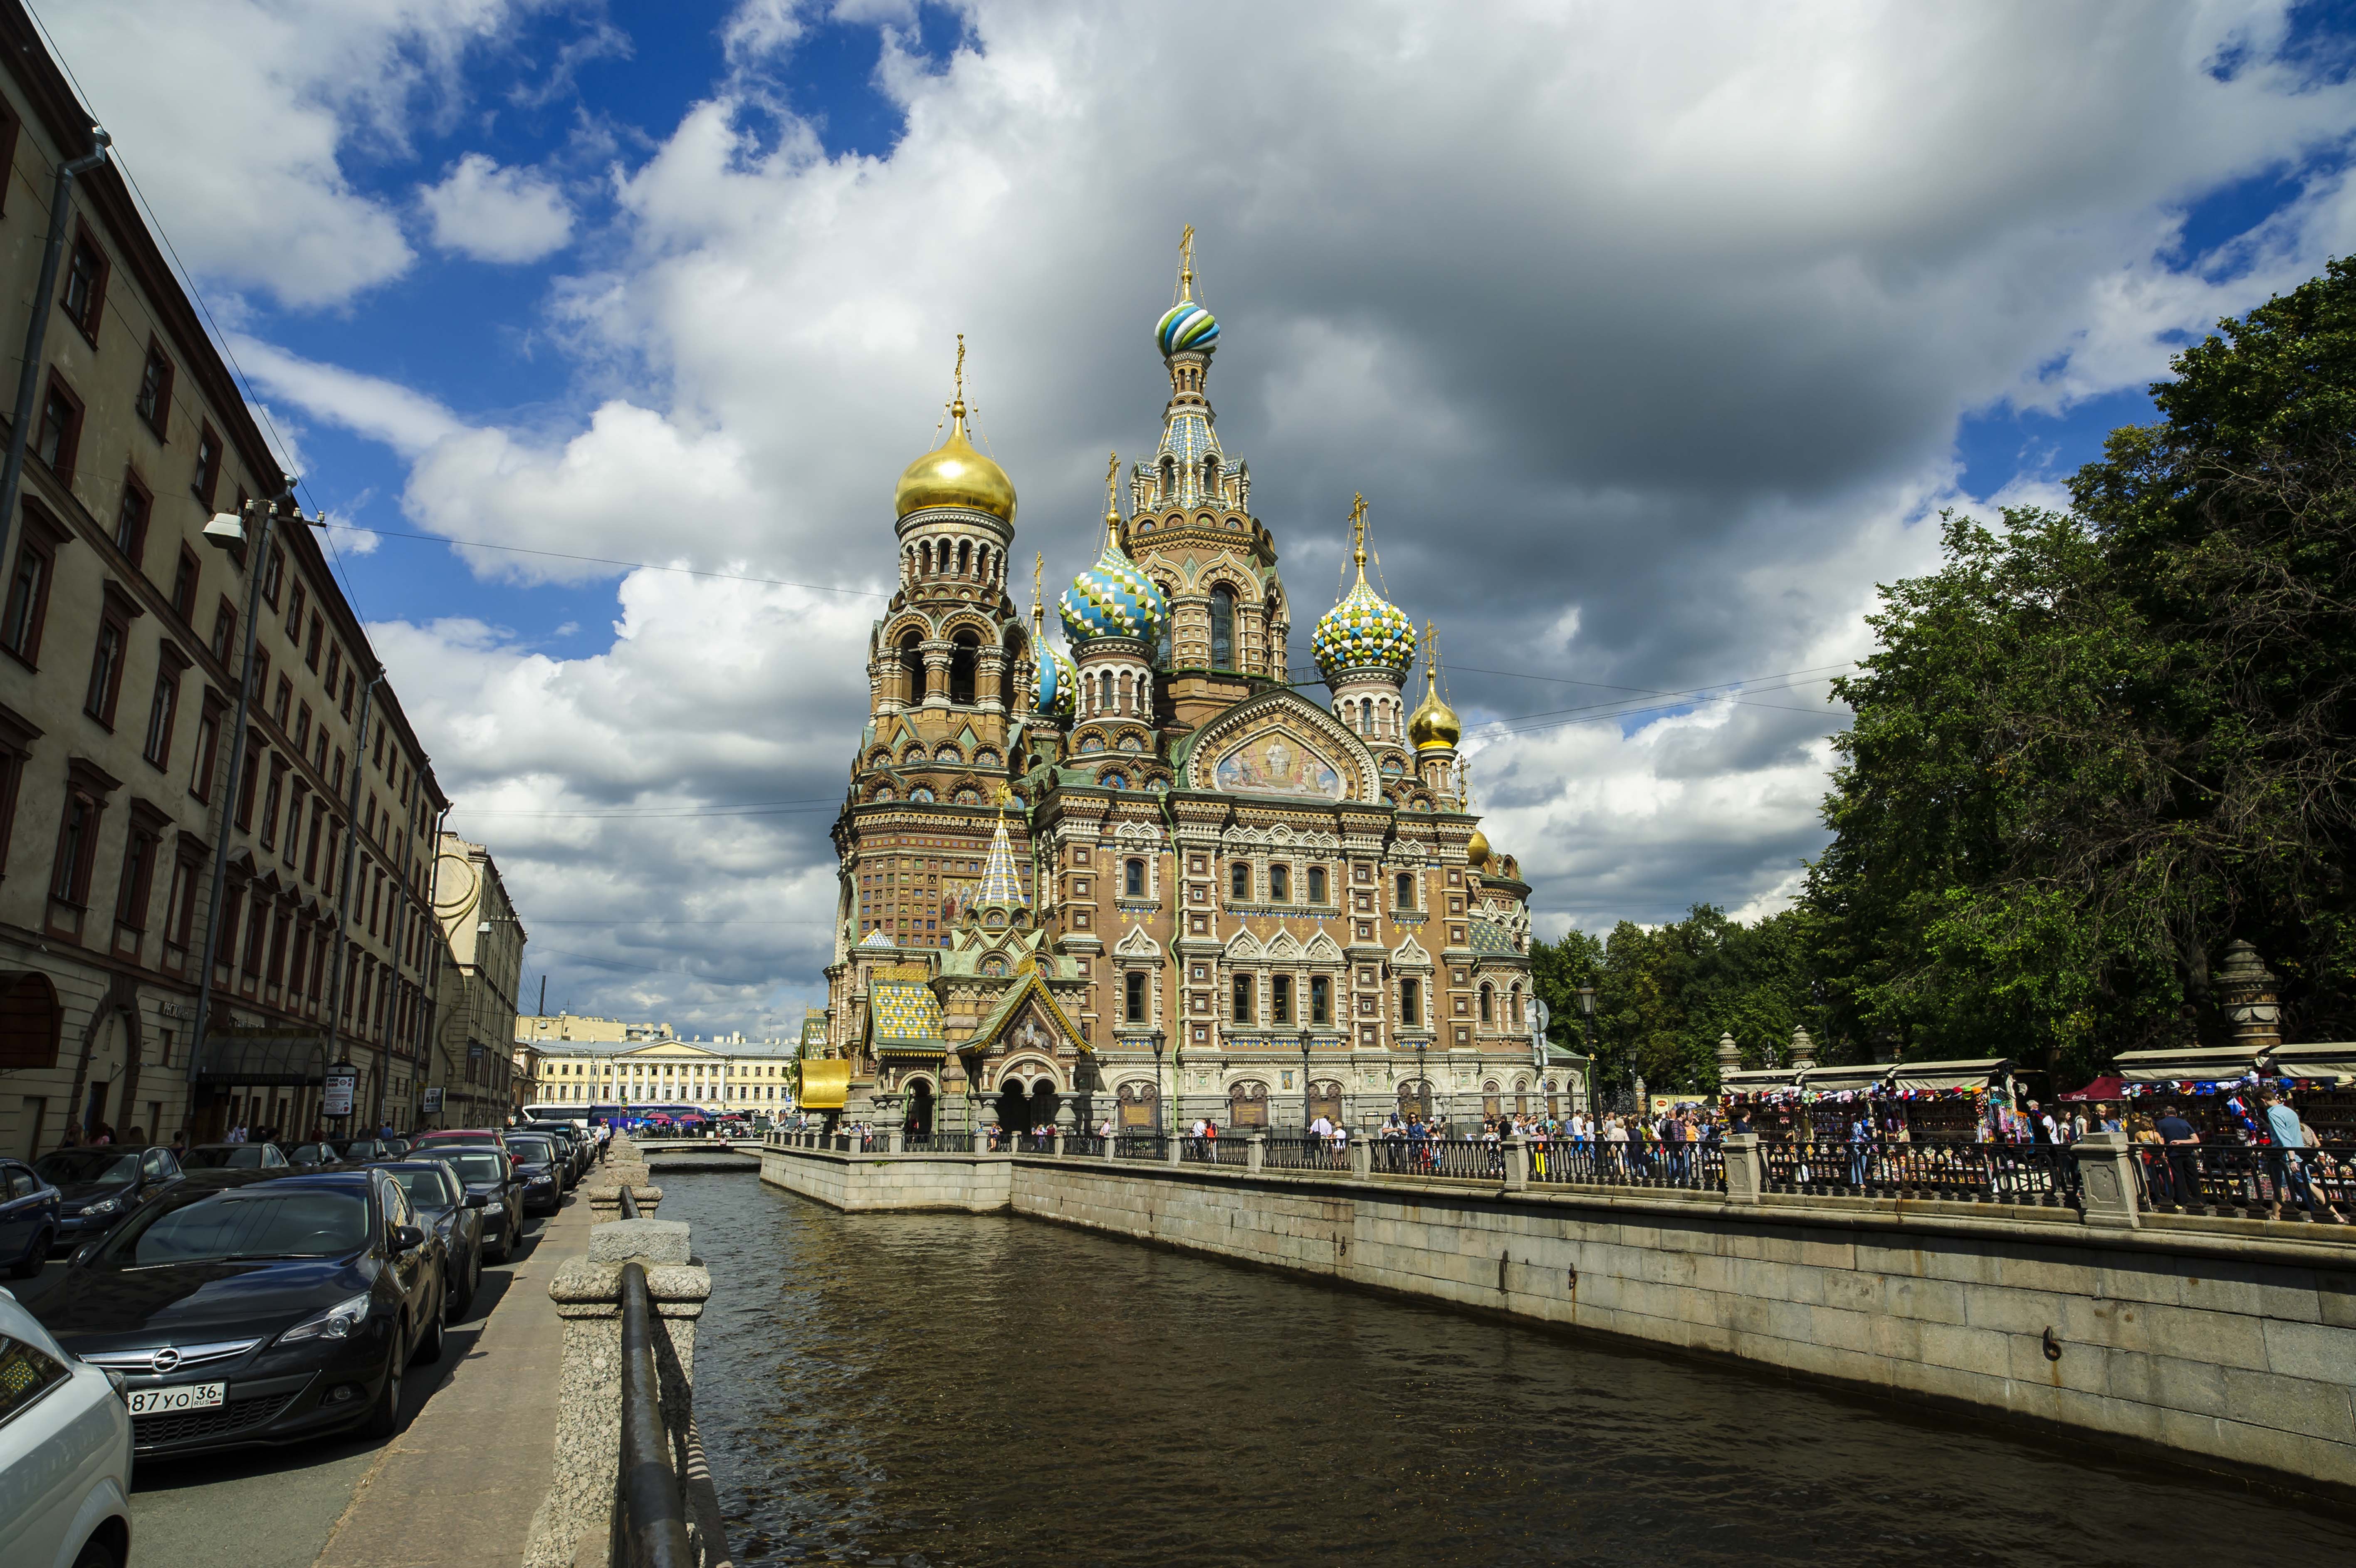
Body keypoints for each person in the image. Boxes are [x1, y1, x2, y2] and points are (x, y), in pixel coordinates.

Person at [2154, 1101, 2201, 1210]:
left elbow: (2162, 1140)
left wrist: (2163, 1152)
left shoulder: (2161, 1124)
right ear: (2176, 1114)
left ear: (2165, 1114)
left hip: (2173, 1153)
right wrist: (2182, 1142)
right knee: (2192, 1176)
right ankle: (2198, 1199)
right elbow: (2196, 1140)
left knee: (2178, 1176)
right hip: (2187, 1152)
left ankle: (2182, 1200)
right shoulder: (2184, 1122)